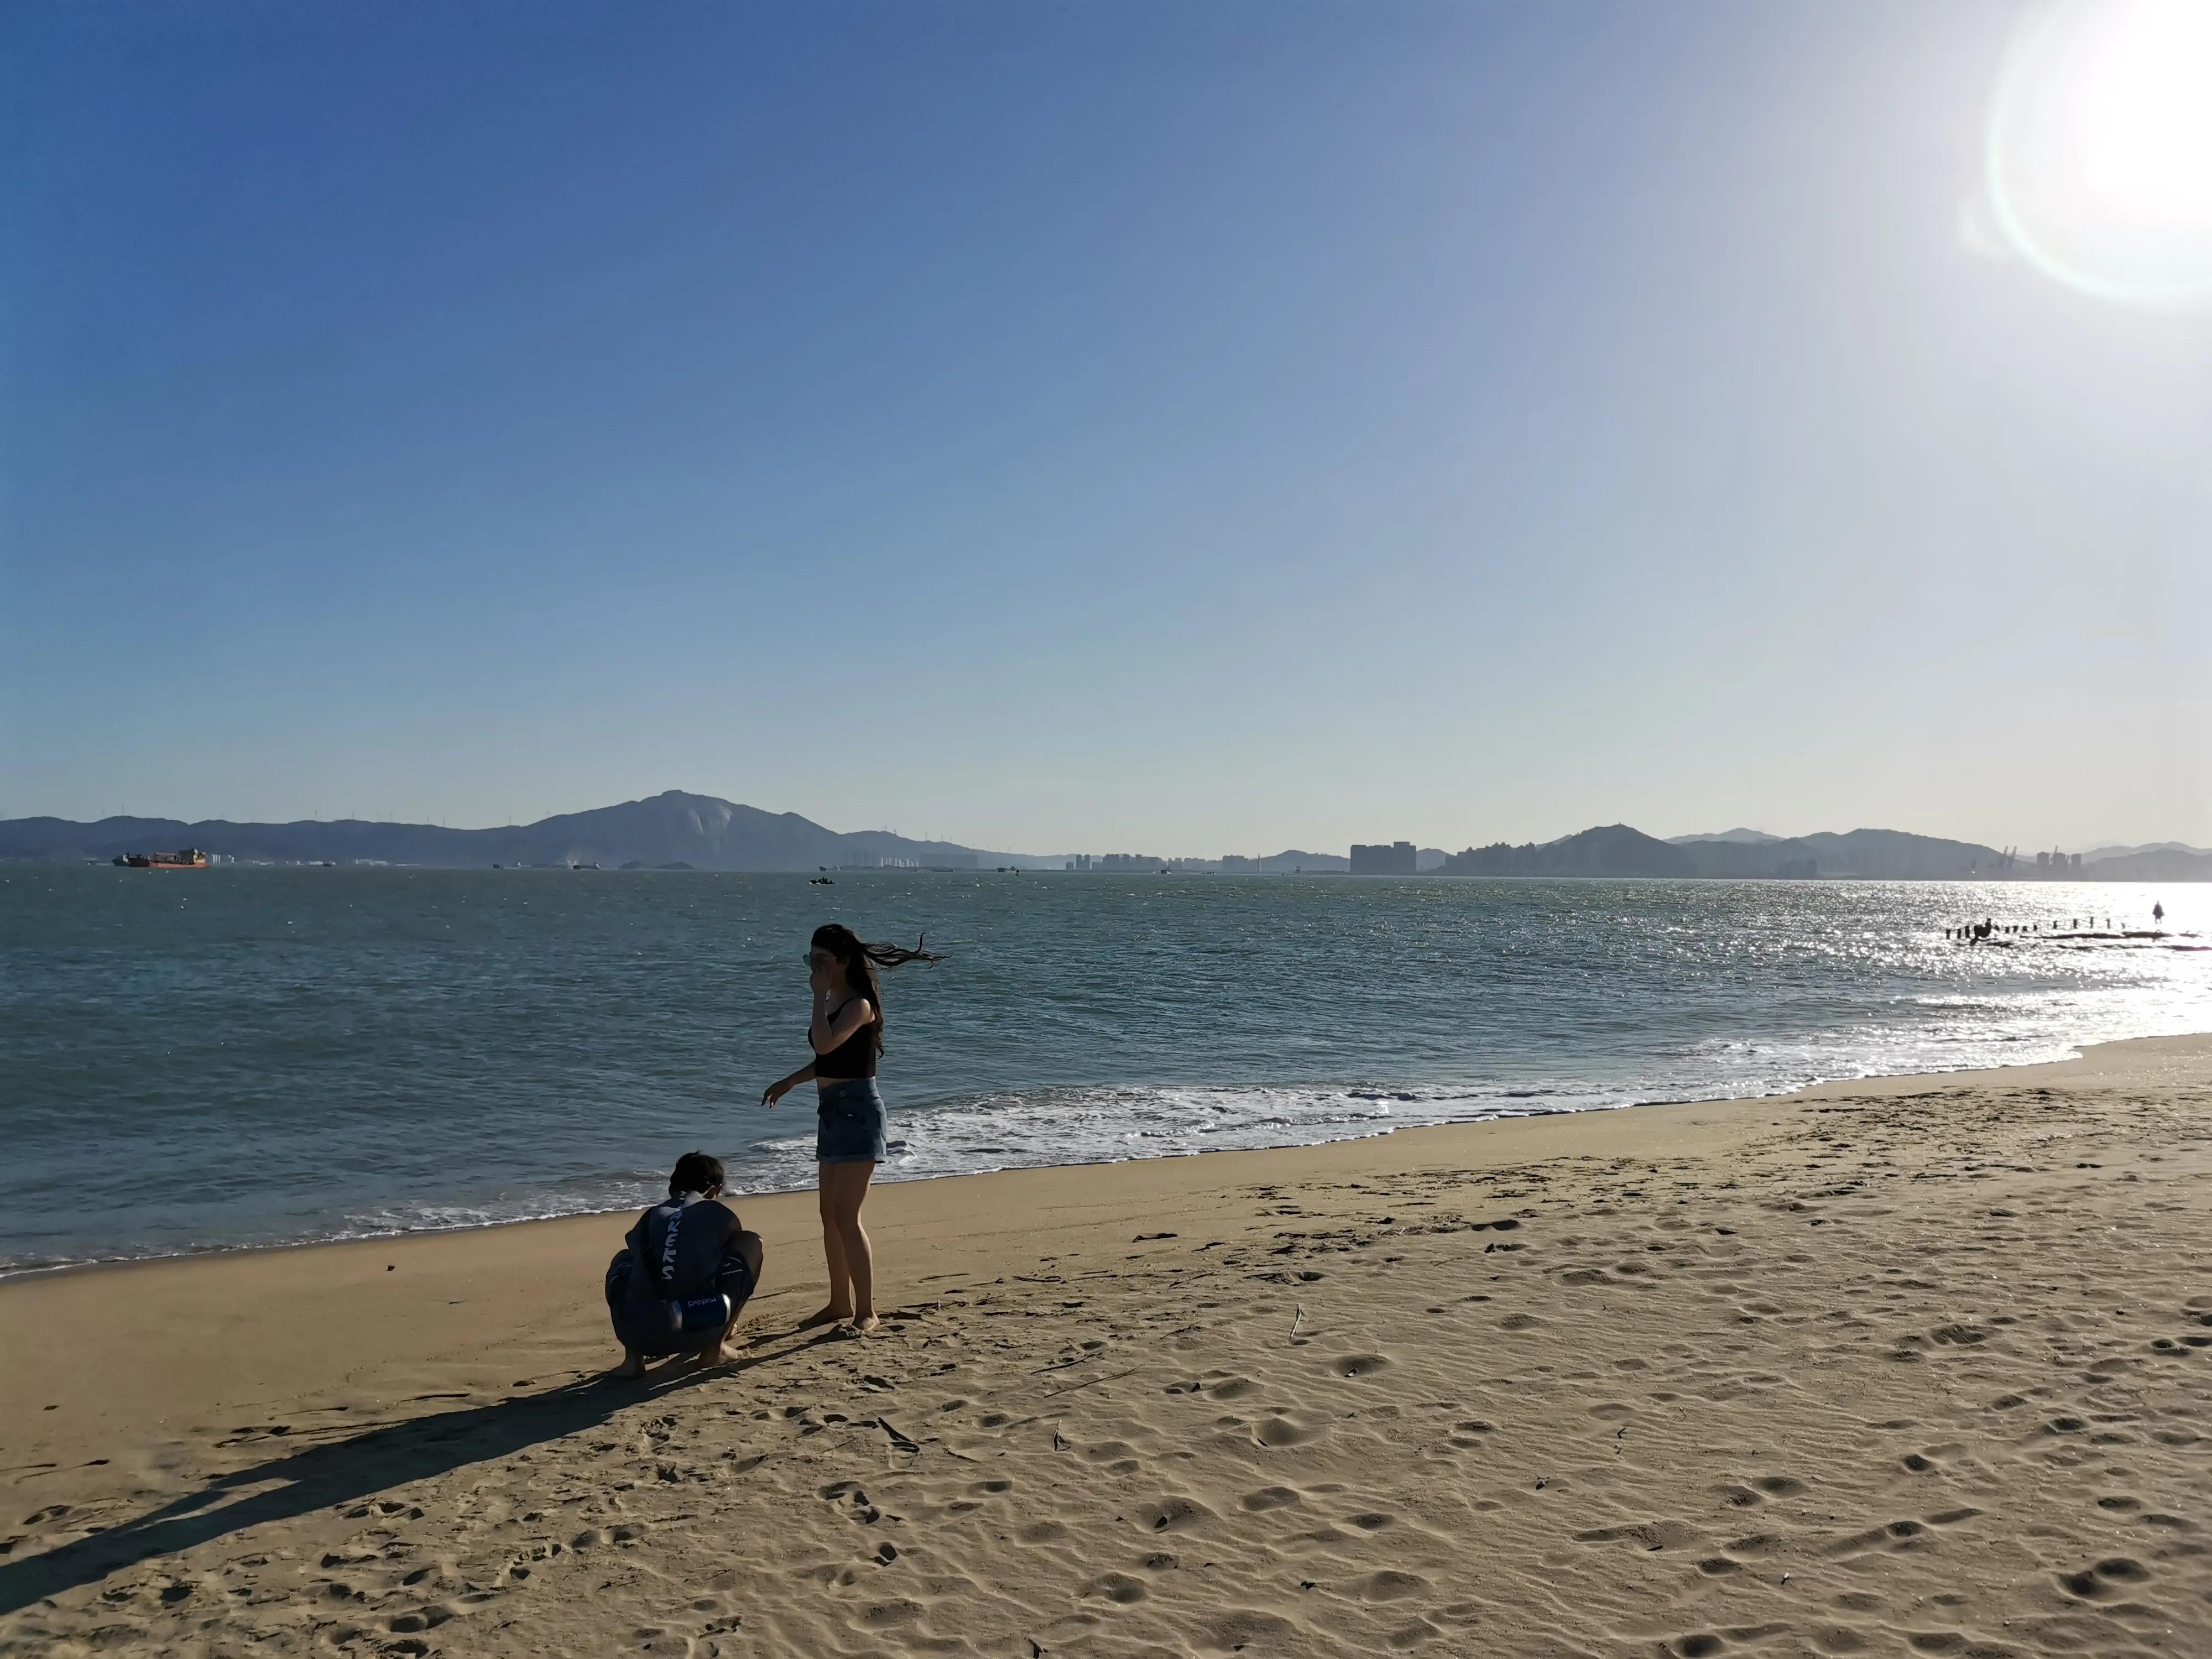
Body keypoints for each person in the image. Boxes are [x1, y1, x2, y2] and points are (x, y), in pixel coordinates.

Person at [761, 925, 941, 1335]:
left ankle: (867, 1311)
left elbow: (825, 1045)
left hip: (859, 1112)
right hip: (831, 1110)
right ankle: (839, 1302)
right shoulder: (833, 1000)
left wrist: (816, 997)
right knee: (828, 1214)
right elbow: (830, 1060)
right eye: (810, 960)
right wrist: (791, 1081)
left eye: (822, 960)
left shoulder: (859, 1005)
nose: (815, 968)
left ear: (843, 962)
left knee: (847, 1215)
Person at [605, 1151, 763, 1378]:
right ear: (714, 1190)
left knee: (623, 1258)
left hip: (638, 1333)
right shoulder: (718, 1213)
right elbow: (728, 1251)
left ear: (673, 1186)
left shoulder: (650, 1216)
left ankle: (632, 1360)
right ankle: (715, 1349)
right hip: (695, 1328)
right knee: (751, 1243)